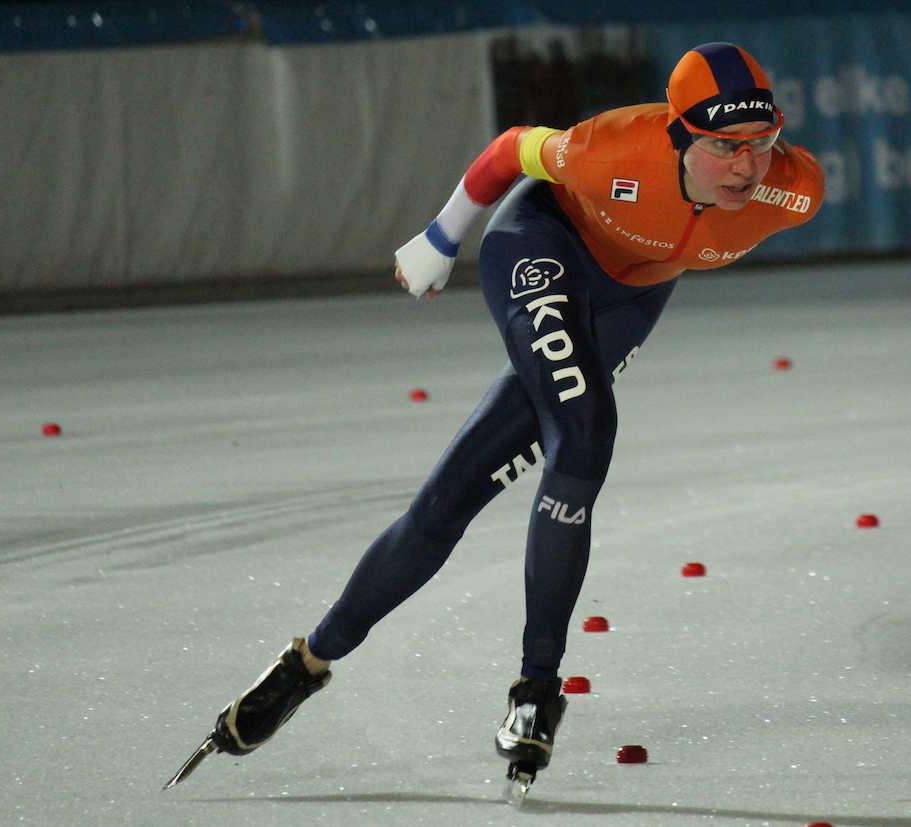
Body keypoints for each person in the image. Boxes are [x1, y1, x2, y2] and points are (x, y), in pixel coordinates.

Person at [166, 43, 823, 798]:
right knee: (584, 430)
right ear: (677, 133)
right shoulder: (610, 146)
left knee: (451, 501)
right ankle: (537, 689)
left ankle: (304, 663)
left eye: (759, 143)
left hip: (631, 300)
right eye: (723, 147)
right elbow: (511, 149)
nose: (746, 167)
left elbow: (748, 182)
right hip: (543, 247)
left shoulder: (796, 188)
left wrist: (756, 164)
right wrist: (442, 238)